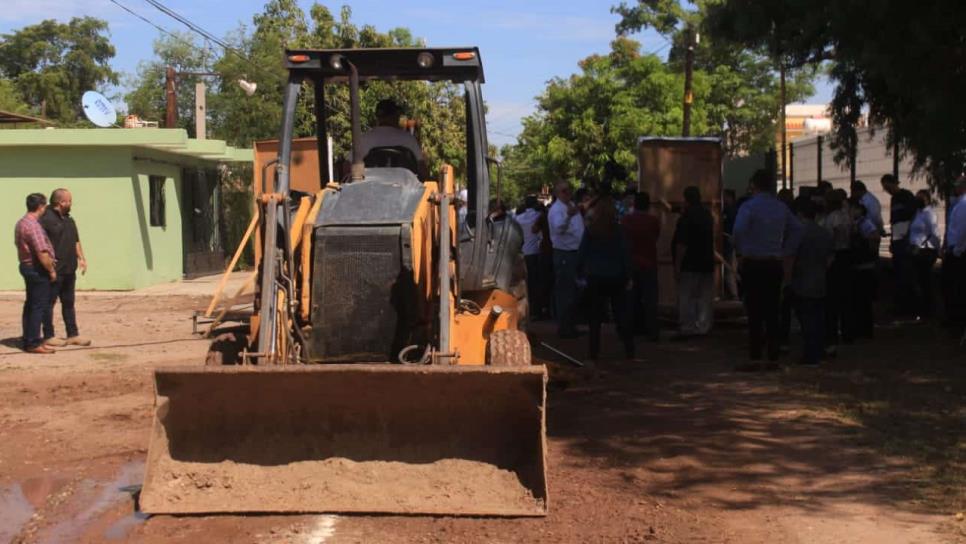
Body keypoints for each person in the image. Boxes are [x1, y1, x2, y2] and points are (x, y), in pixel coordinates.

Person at [733, 169, 803, 365]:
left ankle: (755, 351)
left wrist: (741, 251)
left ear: (754, 185)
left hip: (753, 262)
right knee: (773, 309)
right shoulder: (781, 208)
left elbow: (738, 230)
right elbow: (797, 229)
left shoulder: (748, 207)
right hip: (774, 262)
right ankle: (773, 350)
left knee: (754, 309)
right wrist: (786, 250)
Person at [577, 187, 634, 363]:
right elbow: (625, 253)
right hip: (616, 276)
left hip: (595, 276)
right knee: (621, 314)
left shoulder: (591, 230)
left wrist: (579, 273)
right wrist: (629, 275)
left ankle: (594, 352)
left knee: (595, 318)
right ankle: (629, 349)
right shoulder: (618, 230)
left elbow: (582, 253)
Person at [39, 188, 91, 348]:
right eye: (69, 201)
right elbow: (41, 245)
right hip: (55, 270)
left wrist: (81, 257)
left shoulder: (69, 220)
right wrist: (48, 266)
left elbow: (75, 240)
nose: (71, 204)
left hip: (69, 269)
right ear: (61, 202)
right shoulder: (45, 220)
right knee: (49, 303)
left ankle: (72, 334)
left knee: (69, 303)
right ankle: (48, 335)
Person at [790, 196, 833, 366]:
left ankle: (811, 354)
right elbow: (830, 258)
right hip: (820, 277)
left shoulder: (798, 233)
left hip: (802, 278)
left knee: (806, 319)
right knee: (818, 317)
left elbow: (791, 256)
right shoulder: (824, 233)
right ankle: (819, 349)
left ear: (799, 213)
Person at [14, 193, 57, 354]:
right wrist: (51, 270)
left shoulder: (21, 223)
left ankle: (29, 337)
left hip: (26, 266)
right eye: (44, 206)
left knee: (31, 304)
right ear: (41, 207)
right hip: (36, 269)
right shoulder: (33, 226)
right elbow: (42, 252)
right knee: (38, 305)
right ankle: (33, 342)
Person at [672, 186, 714, 337]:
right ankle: (703, 326)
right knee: (704, 297)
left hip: (689, 263)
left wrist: (677, 265)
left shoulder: (686, 218)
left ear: (686, 199)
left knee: (687, 296)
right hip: (707, 262)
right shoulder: (707, 215)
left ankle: (687, 326)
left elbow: (681, 244)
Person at [622, 190, 661, 340]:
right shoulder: (653, 221)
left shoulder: (627, 220)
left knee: (631, 298)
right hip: (649, 262)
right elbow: (656, 236)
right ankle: (652, 330)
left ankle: (631, 329)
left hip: (631, 263)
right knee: (650, 299)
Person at [548, 181, 585, 338]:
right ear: (557, 193)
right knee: (565, 292)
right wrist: (568, 217)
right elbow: (559, 229)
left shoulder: (570, 206)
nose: (568, 193)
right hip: (564, 253)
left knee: (574, 291)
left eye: (569, 190)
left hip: (575, 252)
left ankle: (571, 325)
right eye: (564, 191)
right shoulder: (557, 210)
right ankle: (564, 328)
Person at [358, 99, 428, 178]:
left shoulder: (364, 139)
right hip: (404, 188)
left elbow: (347, 165)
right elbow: (423, 170)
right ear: (395, 116)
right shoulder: (408, 139)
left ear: (377, 117)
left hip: (371, 188)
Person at [881, 174, 918, 317]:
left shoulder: (906, 196)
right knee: (899, 275)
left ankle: (910, 309)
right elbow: (895, 222)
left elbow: (912, 217)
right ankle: (901, 307)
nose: (886, 190)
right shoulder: (894, 199)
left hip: (905, 240)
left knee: (906, 275)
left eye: (887, 187)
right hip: (898, 240)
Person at [821, 188, 853, 353]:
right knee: (845, 297)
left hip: (834, 257)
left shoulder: (831, 218)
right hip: (846, 256)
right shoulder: (847, 216)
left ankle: (831, 333)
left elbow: (829, 239)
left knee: (832, 299)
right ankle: (848, 332)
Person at [849, 199, 880, 338]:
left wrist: (866, 246)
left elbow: (874, 237)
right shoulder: (855, 224)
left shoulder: (865, 223)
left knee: (864, 299)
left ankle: (866, 330)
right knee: (858, 300)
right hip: (858, 266)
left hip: (865, 266)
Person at [908, 189, 940, 319]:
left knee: (925, 281)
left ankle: (928, 310)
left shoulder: (929, 214)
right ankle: (920, 309)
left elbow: (933, 233)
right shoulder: (918, 213)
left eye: (920, 198)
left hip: (925, 251)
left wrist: (923, 246)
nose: (918, 201)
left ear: (927, 199)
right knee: (918, 280)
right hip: (915, 250)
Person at [515, 196, 546, 319]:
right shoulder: (538, 216)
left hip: (523, 253)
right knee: (535, 284)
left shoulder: (517, 218)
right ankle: (535, 310)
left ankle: (524, 310)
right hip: (534, 254)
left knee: (523, 284)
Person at [942, 177, 966, 327]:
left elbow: (962, 230)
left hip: (959, 252)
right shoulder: (958, 204)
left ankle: (957, 320)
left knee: (957, 287)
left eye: (957, 185)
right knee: (951, 286)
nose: (954, 188)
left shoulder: (963, 205)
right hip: (954, 249)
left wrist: (957, 249)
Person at [721, 189, 739, 300]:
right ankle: (732, 294)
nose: (723, 199)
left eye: (725, 197)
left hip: (728, 242)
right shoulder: (734, 210)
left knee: (729, 269)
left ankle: (734, 295)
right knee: (730, 268)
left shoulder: (730, 211)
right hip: (729, 242)